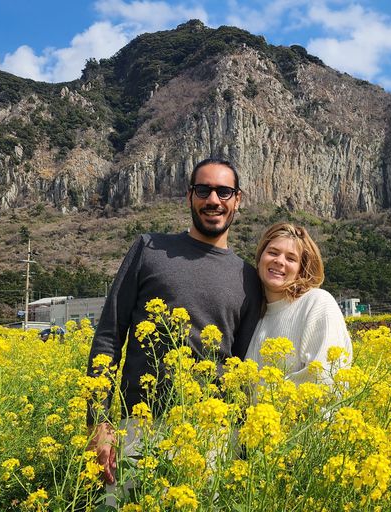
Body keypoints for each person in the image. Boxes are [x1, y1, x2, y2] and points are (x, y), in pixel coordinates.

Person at [85, 158, 263, 490]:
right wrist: (100, 422)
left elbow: (242, 368)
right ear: (189, 195)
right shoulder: (148, 249)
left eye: (224, 191)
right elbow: (109, 336)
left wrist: (242, 447)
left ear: (237, 199)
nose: (213, 200)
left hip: (210, 438)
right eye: (203, 189)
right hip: (136, 428)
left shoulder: (248, 278)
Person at [245, 222, 352, 386]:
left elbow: (327, 381)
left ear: (300, 270)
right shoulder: (252, 315)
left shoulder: (317, 303)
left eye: (290, 258)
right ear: (259, 261)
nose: (280, 261)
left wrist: (263, 407)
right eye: (273, 252)